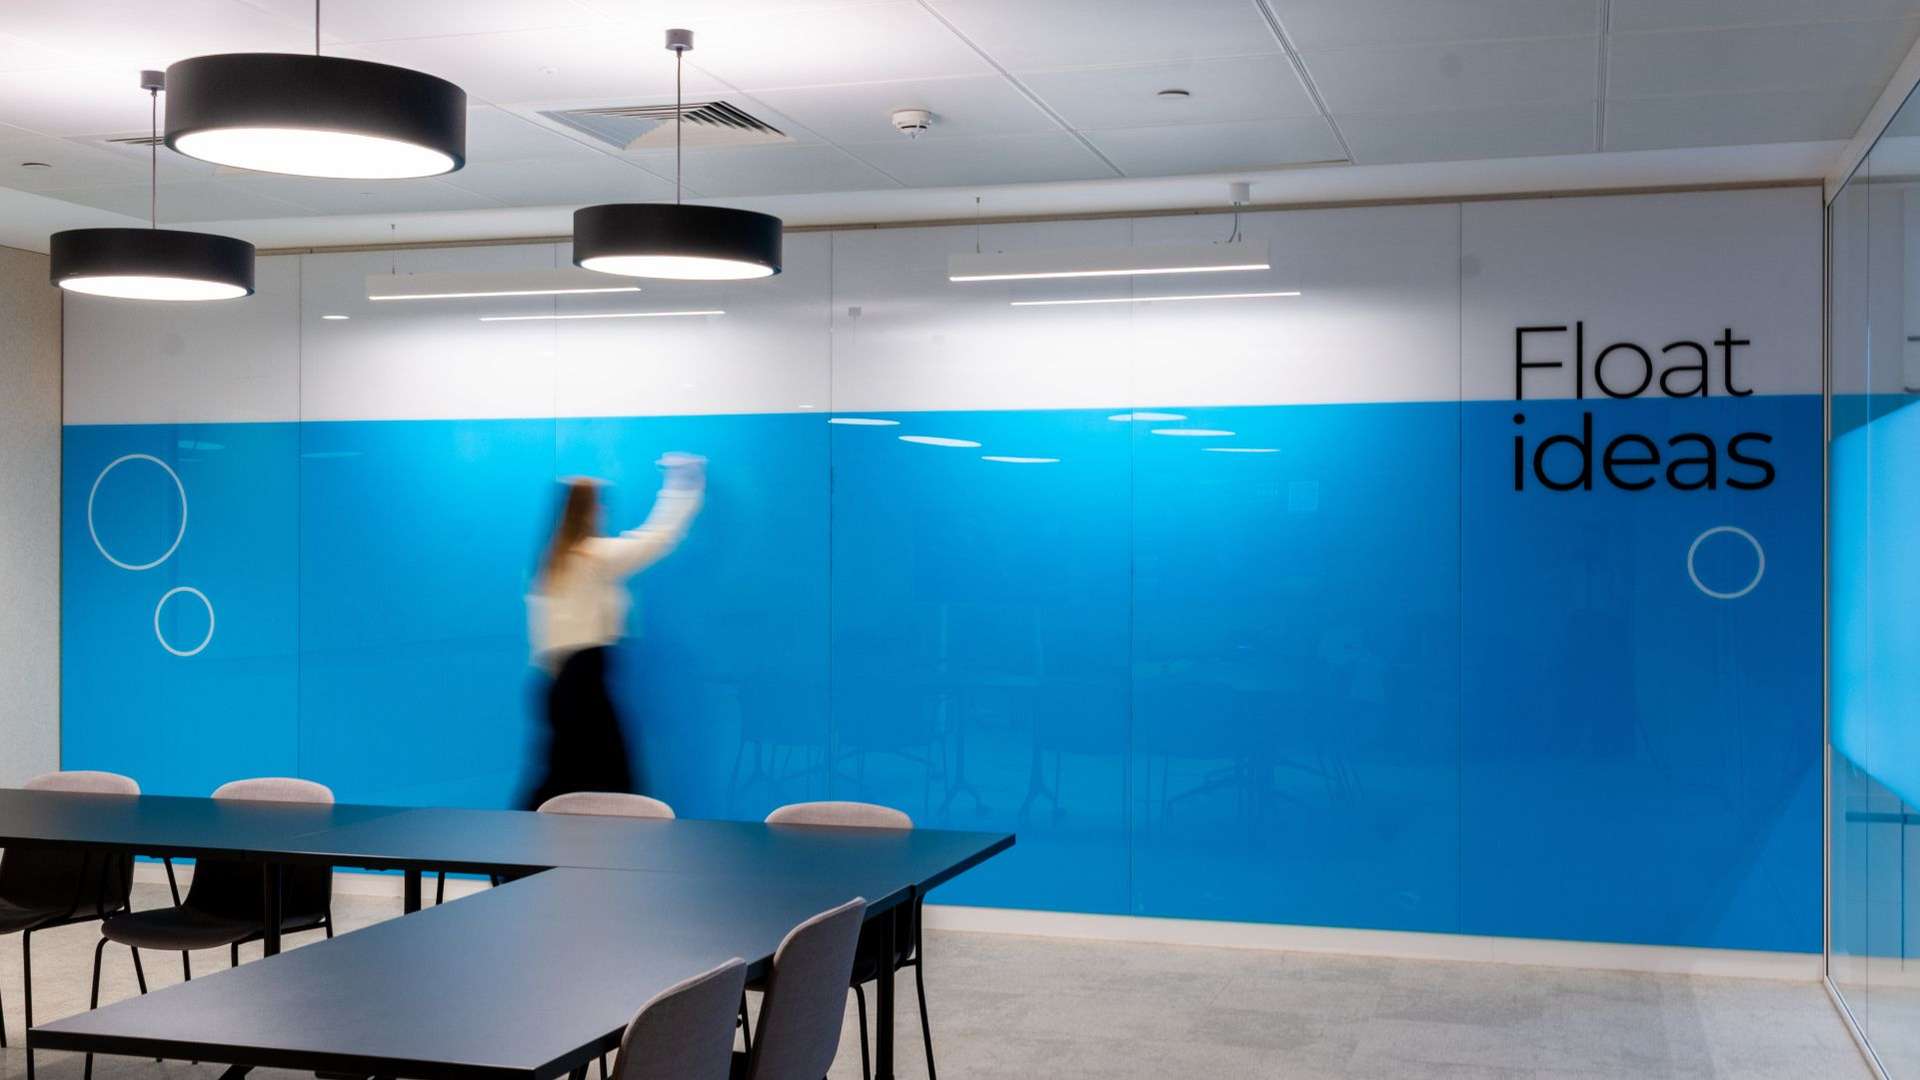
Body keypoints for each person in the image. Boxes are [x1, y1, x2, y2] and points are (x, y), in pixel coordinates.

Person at [523, 453, 705, 808]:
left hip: (557, 687)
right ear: (588, 511)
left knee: (562, 781)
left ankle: (532, 851)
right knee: (609, 783)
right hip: (586, 686)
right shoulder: (593, 558)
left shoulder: (550, 566)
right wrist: (683, 481)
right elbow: (659, 537)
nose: (604, 511)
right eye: (599, 505)